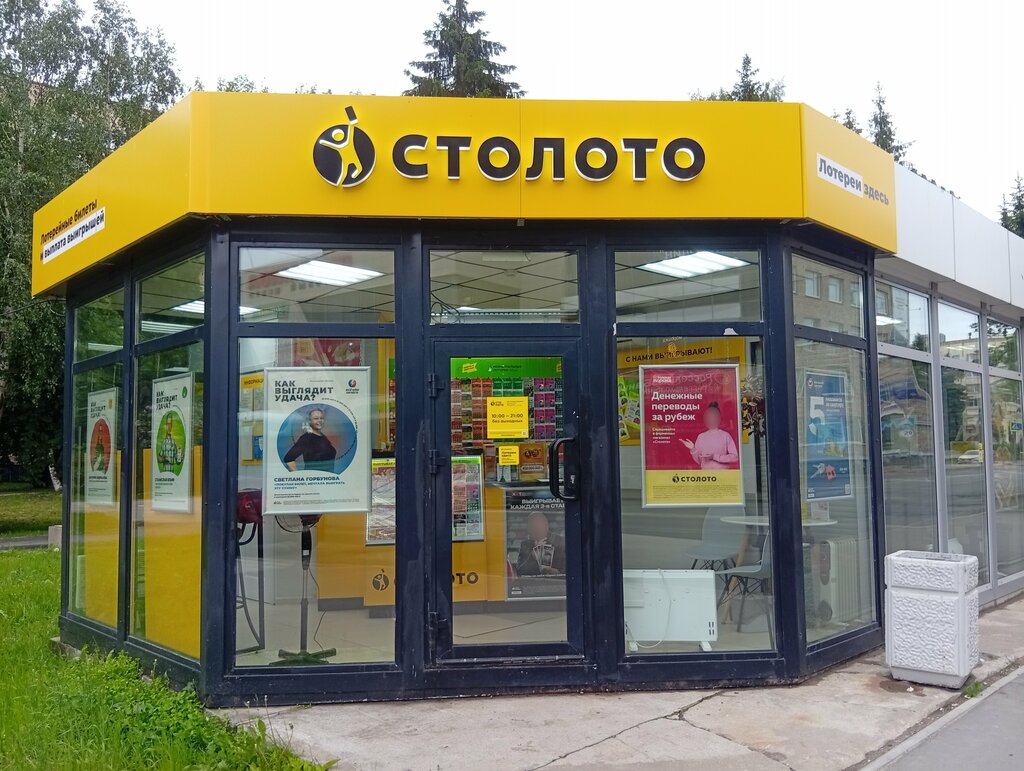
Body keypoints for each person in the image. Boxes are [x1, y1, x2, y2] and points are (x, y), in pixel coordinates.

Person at [681, 401, 739, 470]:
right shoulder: (701, 437)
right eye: (709, 416)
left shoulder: (725, 435)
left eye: (714, 416)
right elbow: (699, 461)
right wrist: (692, 449)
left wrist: (715, 457)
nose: (711, 419)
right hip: (707, 475)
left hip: (723, 474)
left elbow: (735, 457)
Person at [283, 407, 337, 473]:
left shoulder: (323, 437)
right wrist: (298, 476)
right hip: (314, 478)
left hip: (328, 478)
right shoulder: (306, 438)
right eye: (316, 418)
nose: (319, 420)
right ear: (309, 421)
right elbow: (288, 459)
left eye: (321, 418)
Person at [515, 512, 565, 576]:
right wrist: (532, 556)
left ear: (546, 526)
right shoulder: (526, 544)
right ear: (529, 529)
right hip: (535, 581)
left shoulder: (560, 541)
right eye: (533, 527)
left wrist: (558, 572)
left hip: (555, 581)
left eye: (539, 526)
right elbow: (520, 572)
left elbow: (570, 568)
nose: (536, 530)